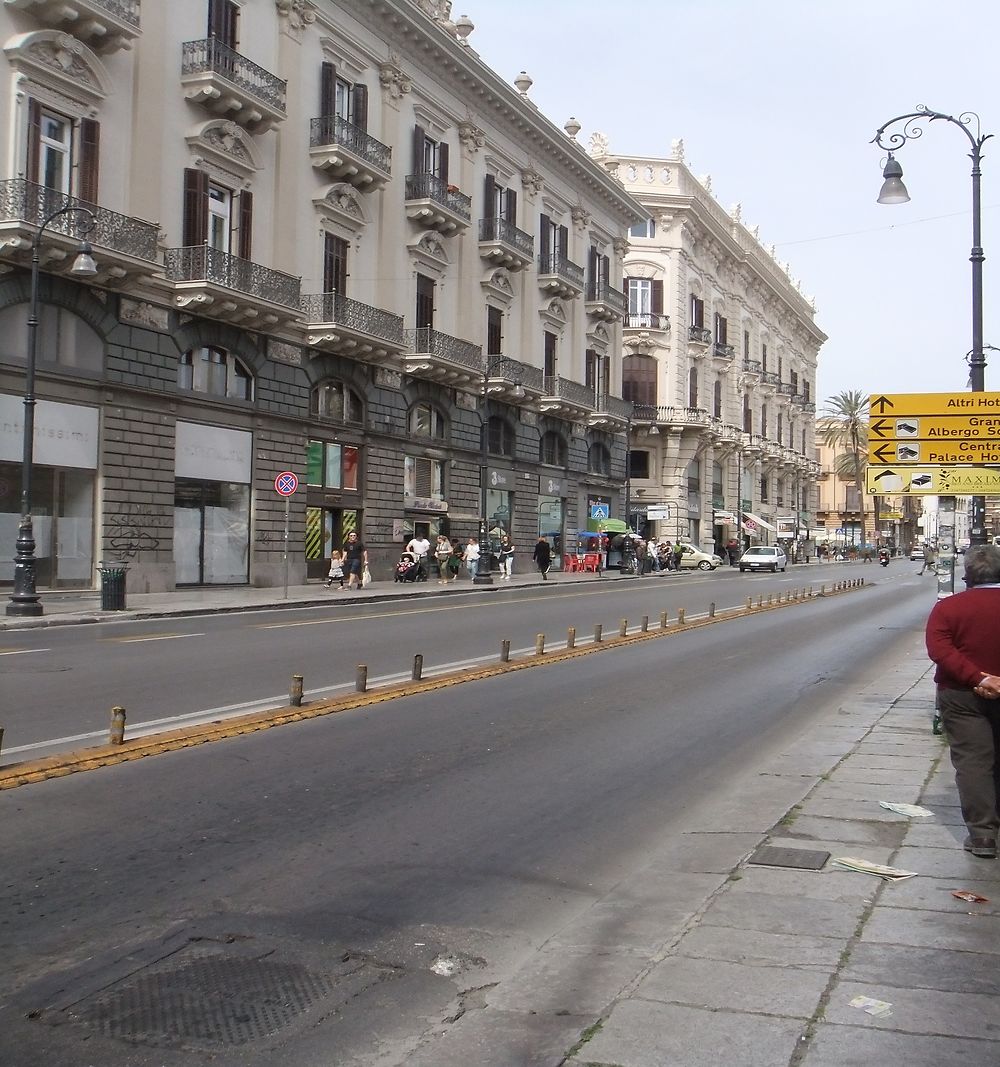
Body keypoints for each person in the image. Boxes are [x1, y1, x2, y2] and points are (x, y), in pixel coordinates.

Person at [925, 544, 1000, 859]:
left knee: (973, 762)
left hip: (961, 694)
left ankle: (983, 835)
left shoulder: (948, 608)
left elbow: (940, 650)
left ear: (967, 574)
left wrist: (978, 678)